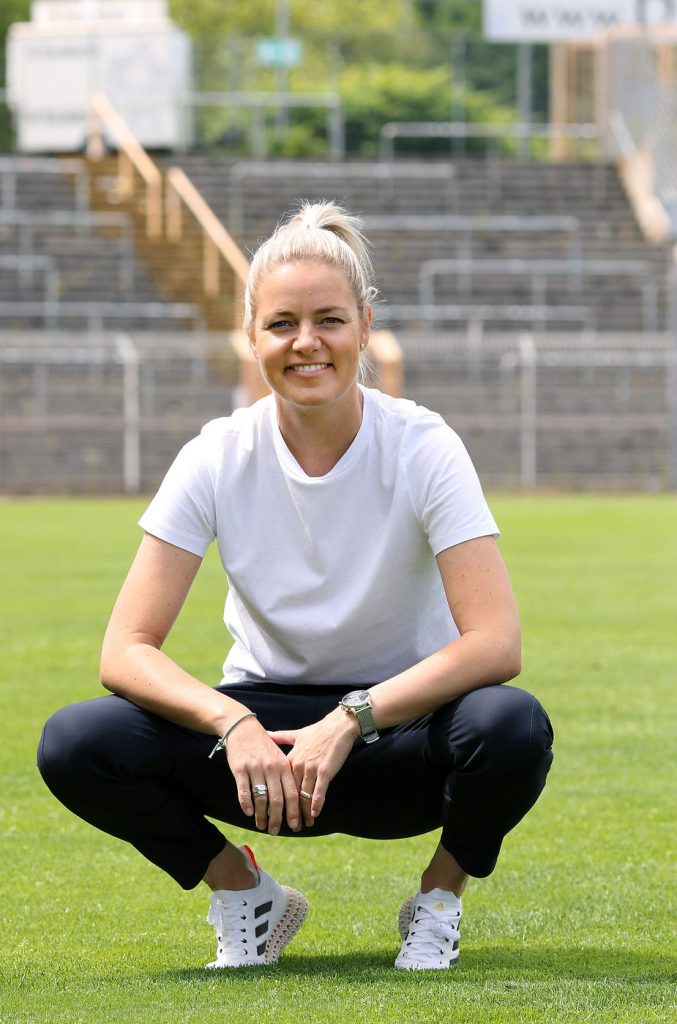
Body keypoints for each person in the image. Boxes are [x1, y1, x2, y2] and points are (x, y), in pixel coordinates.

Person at [38, 201, 553, 971]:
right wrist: (233, 724)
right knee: (77, 741)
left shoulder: (422, 445)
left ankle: (437, 899)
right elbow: (125, 650)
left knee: (510, 726)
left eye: (329, 320)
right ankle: (244, 895)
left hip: (393, 735)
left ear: (365, 324)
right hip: (263, 752)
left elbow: (495, 642)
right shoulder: (216, 453)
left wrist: (350, 720)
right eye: (281, 323)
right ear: (251, 336)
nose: (305, 343)